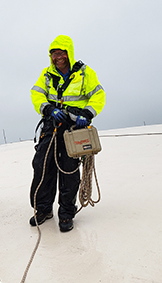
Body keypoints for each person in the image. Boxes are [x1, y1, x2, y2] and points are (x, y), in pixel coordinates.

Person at [30, 35, 105, 232]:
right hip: (52, 125)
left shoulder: (85, 73)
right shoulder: (46, 74)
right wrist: (48, 109)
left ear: (69, 53)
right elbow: (36, 93)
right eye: (54, 54)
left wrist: (87, 113)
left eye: (61, 53)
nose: (58, 57)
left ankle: (66, 214)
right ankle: (43, 210)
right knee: (42, 166)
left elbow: (98, 95)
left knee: (69, 170)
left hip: (74, 129)